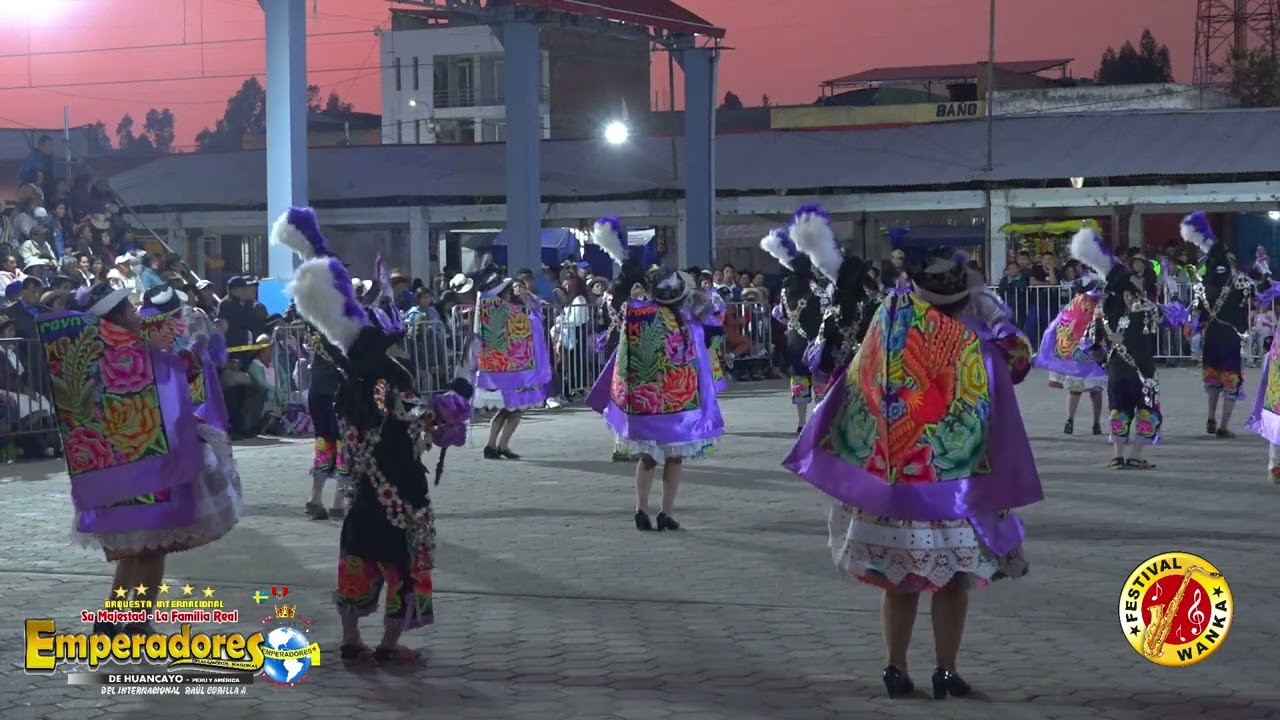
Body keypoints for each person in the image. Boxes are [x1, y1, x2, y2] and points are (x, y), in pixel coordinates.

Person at [784, 246, 1042, 700]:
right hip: (957, 484)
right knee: (953, 583)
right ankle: (946, 671)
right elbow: (1020, 361)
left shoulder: (890, 323)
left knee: (898, 582)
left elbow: (852, 376)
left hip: (896, 482)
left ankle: (895, 668)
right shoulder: (975, 339)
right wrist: (998, 324)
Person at [271, 206, 472, 665]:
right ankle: (388, 643)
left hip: (362, 493)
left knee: (355, 563)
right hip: (400, 490)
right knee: (402, 566)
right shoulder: (391, 380)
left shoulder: (350, 386)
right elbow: (425, 422)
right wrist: (459, 392)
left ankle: (350, 638)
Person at [38, 282, 241, 636]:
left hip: (114, 469)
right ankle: (137, 621)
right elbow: (183, 369)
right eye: (130, 312)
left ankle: (113, 617)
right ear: (117, 318)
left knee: (135, 546)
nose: (136, 316)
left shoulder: (88, 353)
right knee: (152, 548)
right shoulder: (131, 350)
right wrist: (198, 338)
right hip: (150, 466)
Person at [586, 217, 724, 531]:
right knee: (674, 459)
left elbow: (621, 327)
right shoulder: (687, 321)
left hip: (646, 404)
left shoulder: (639, 316)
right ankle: (666, 512)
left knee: (647, 458)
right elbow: (712, 332)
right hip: (680, 405)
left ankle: (640, 508)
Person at [1072, 229, 1184, 469]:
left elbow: (1091, 344)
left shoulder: (1102, 309)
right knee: (1147, 410)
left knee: (1118, 411)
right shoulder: (1145, 306)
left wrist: (1106, 361)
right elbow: (1170, 320)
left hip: (1116, 369)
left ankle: (1117, 456)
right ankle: (1136, 455)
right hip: (1142, 367)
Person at [789, 207, 876, 402]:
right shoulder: (873, 306)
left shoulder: (832, 312)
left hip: (836, 376)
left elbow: (822, 352)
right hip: (866, 375)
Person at [1185, 212, 1260, 438]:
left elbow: (1195, 312)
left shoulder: (1203, 284)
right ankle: (1224, 426)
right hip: (1230, 337)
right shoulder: (1238, 281)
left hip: (1211, 337)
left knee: (1213, 379)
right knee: (1231, 380)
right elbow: (1257, 296)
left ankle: (1210, 415)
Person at [470, 271, 552, 459]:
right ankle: (501, 446)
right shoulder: (505, 311)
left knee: (506, 410)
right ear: (504, 294)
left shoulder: (488, 308)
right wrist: (528, 301)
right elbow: (535, 319)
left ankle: (492, 445)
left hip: (500, 370)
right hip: (515, 371)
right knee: (515, 411)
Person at [760, 219, 824, 433]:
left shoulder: (786, 291)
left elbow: (779, 314)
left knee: (798, 378)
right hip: (814, 339)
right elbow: (828, 311)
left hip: (793, 339)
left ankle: (801, 422)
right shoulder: (816, 290)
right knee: (819, 378)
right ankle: (819, 419)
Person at [1036, 273, 1107, 435]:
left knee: (1086, 389)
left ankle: (1082, 422)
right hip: (1083, 351)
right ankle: (1080, 422)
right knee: (1086, 389)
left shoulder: (1081, 304)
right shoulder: (1082, 304)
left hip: (1084, 351)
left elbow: (1055, 327)